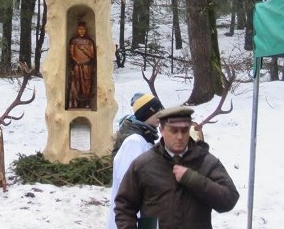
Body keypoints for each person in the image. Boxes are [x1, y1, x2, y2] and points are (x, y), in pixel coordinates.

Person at [114, 106, 239, 228]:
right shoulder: (144, 164)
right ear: (161, 129)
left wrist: (193, 179)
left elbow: (229, 200)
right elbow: (124, 206)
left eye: (184, 131)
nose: (180, 137)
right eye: (174, 131)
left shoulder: (205, 162)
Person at [107, 93, 163, 229]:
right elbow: (129, 184)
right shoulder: (134, 142)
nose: (160, 114)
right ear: (145, 114)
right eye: (156, 111)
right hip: (132, 218)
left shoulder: (145, 139)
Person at [67, 21, 95, 108]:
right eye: (80, 29)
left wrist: (84, 49)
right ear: (77, 30)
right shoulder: (73, 41)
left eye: (83, 29)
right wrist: (77, 61)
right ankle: (75, 103)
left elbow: (92, 55)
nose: (81, 31)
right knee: (76, 83)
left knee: (86, 84)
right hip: (77, 66)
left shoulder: (89, 41)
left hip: (87, 66)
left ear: (85, 30)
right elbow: (71, 54)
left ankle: (86, 102)